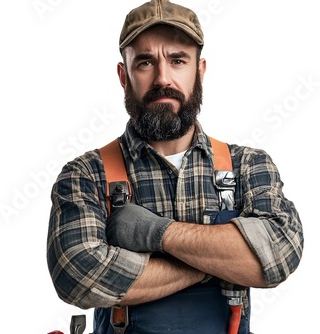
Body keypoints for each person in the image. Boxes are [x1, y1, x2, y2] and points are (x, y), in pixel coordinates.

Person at [46, 0, 304, 333]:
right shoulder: (86, 175)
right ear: (124, 76)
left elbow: (280, 255)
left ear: (200, 71)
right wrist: (224, 261)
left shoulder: (248, 166)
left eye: (178, 60)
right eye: (145, 62)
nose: (162, 78)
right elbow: (78, 276)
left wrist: (155, 233)